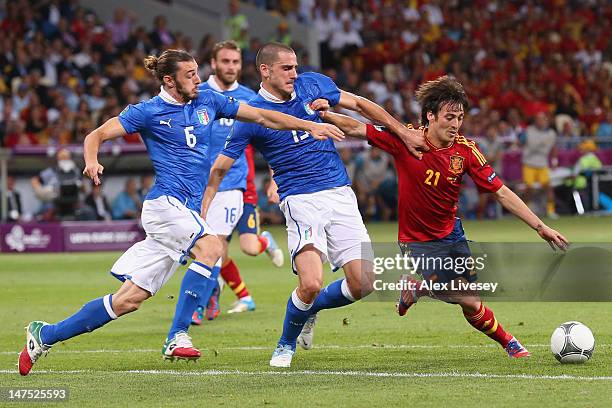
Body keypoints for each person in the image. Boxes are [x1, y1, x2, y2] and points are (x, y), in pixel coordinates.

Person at [18, 48, 344, 376]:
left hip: (184, 211)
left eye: (198, 72)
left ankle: (45, 334)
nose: (199, 79)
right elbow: (96, 134)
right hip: (163, 206)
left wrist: (306, 125)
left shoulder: (208, 101)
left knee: (127, 300)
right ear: (170, 80)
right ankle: (177, 335)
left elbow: (261, 116)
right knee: (212, 247)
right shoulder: (148, 111)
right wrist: (91, 160)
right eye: (190, 75)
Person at [201, 42, 426, 368]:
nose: (295, 73)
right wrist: (205, 204)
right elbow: (221, 165)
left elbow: (360, 105)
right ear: (265, 70)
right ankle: (285, 344)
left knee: (364, 283)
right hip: (300, 200)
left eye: (295, 66)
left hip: (339, 193)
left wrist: (402, 132)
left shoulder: (313, 84)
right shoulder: (250, 114)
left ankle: (311, 309)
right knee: (310, 282)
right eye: (287, 68)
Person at [317, 75, 569, 358]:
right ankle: (509, 341)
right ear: (430, 115)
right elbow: (357, 127)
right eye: (449, 116)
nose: (455, 124)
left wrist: (540, 226)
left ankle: (417, 290)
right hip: (416, 240)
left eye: (460, 117)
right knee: (467, 296)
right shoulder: (407, 139)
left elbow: (501, 192)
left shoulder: (466, 151)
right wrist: (325, 115)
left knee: (471, 303)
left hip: (451, 234)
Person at [190, 41, 285, 324]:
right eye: (226, 61)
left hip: (231, 185)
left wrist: (274, 179)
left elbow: (270, 138)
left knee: (215, 246)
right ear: (214, 63)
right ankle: (257, 250)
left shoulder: (249, 97)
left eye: (236, 62)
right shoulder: (197, 94)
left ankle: (201, 302)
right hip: (197, 185)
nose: (231, 67)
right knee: (206, 248)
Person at [520, 112, 558, 218]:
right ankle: (525, 211)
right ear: (535, 120)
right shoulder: (529, 131)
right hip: (529, 163)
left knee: (549, 187)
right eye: (539, 119)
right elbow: (524, 143)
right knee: (529, 188)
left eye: (543, 119)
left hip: (542, 164)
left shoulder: (551, 133)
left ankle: (551, 211)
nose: (541, 121)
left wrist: (554, 161)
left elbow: (554, 147)